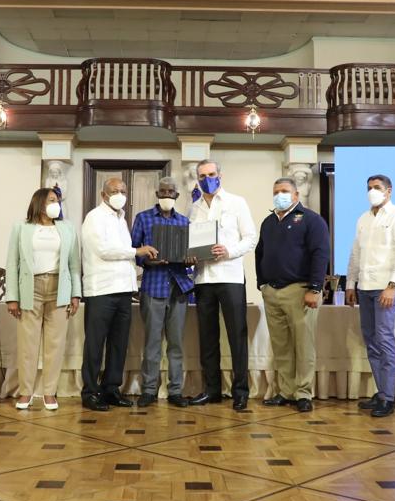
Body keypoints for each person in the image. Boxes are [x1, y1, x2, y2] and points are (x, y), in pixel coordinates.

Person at [81, 178, 158, 411]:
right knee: (95, 344)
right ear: (103, 195)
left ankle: (111, 389)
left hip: (124, 290)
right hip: (101, 290)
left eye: (123, 191)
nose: (120, 195)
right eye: (115, 191)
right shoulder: (94, 217)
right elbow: (104, 250)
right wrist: (137, 251)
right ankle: (90, 392)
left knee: (119, 344)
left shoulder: (122, 218)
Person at [188, 159, 257, 411]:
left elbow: (250, 237)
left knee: (237, 336)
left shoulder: (236, 202)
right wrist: (189, 255)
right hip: (203, 279)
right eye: (202, 176)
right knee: (207, 338)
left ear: (220, 175)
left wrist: (229, 251)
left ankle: (240, 391)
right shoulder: (194, 208)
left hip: (230, 277)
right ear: (197, 179)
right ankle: (212, 390)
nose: (207, 179)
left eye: (211, 174)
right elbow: (191, 241)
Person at [256, 177, 329, 412]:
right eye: (276, 191)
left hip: (300, 291)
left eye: (285, 191)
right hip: (272, 292)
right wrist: (262, 284)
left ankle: (303, 393)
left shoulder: (311, 220)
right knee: (281, 346)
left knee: (303, 345)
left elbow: (320, 254)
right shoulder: (268, 222)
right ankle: (286, 391)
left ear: (296, 195)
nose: (280, 195)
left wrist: (315, 288)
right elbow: (260, 253)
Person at [5, 187, 81, 411]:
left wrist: (75, 294)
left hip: (59, 288)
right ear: (39, 203)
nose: (55, 204)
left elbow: (74, 265)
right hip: (31, 288)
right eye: (51, 200)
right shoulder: (21, 227)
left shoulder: (67, 228)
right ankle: (26, 392)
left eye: (57, 200)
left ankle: (49, 392)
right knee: (27, 345)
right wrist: (12, 297)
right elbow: (12, 263)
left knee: (55, 345)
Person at [345, 174, 395, 418]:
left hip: (387, 287)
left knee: (384, 339)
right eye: (369, 187)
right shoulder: (363, 218)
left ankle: (388, 397)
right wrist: (350, 283)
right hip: (365, 286)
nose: (372, 191)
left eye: (377, 187)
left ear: (389, 191)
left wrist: (392, 284)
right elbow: (356, 253)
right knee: (371, 339)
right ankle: (382, 390)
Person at [130, 177, 194, 407]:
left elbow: (191, 253)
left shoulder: (185, 222)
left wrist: (190, 259)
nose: (167, 195)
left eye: (170, 192)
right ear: (157, 194)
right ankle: (149, 389)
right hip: (153, 285)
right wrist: (147, 259)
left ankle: (175, 390)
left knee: (176, 343)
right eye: (163, 191)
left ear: (177, 195)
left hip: (178, 287)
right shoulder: (143, 218)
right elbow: (133, 251)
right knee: (152, 342)